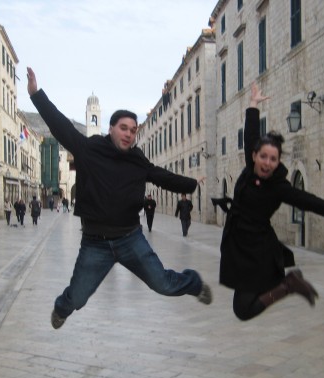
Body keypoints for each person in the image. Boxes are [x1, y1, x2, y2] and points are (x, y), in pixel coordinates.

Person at [26, 67, 212, 330]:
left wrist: (193, 183)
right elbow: (61, 127)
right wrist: (36, 95)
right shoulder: (89, 150)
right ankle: (61, 308)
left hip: (129, 238)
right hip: (95, 243)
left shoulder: (137, 160)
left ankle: (194, 283)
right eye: (123, 128)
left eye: (133, 130)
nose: (129, 134)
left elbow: (161, 176)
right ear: (110, 128)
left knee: (164, 284)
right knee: (77, 297)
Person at [212, 83, 324, 321]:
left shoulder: (279, 187)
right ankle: (289, 284)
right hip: (238, 245)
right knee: (243, 308)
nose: (268, 163)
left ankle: (289, 285)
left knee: (243, 309)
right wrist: (253, 104)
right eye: (264, 157)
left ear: (279, 161)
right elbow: (250, 134)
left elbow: (311, 202)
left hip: (257, 249)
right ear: (254, 156)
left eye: (273, 159)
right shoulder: (250, 170)